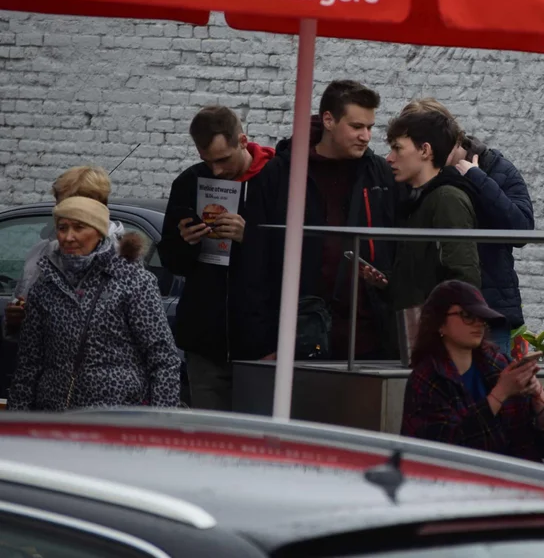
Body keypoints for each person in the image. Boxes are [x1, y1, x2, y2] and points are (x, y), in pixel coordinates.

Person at [240, 80, 398, 362]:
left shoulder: (379, 175)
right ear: (328, 120)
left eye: (370, 127)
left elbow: (395, 247)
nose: (365, 136)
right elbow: (254, 263)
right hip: (296, 337)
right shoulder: (282, 174)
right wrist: (261, 343)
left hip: (366, 340)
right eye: (356, 126)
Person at [8, 197, 181, 411]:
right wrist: (20, 421)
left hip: (116, 417)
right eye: (62, 228)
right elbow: (28, 364)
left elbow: (163, 358)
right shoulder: (45, 285)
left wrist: (160, 424)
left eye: (79, 227)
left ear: (99, 232)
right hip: (55, 417)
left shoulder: (133, 281)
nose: (69, 237)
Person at [157, 106, 275, 411]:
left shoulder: (276, 179)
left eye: (223, 159)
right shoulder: (189, 182)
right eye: (207, 161)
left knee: (254, 443)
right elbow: (172, 261)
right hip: (205, 344)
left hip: (260, 345)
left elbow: (296, 256)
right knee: (210, 442)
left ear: (243, 141)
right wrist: (187, 242)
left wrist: (250, 236)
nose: (217, 171)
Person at [399, 98, 535, 354]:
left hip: (488, 313)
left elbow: (522, 229)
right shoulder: (417, 173)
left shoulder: (496, 168)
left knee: (489, 388)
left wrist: (477, 180)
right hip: (429, 313)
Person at [401, 280, 544, 460]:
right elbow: (446, 451)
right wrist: (499, 394)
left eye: (482, 317)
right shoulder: (427, 378)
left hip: (515, 478)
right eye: (467, 315)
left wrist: (538, 396)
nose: (478, 323)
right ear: (439, 323)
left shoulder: (498, 363)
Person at [366, 109, 480, 312]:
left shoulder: (447, 199)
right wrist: (387, 284)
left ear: (425, 150)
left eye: (398, 149)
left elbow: (464, 276)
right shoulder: (414, 201)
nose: (390, 158)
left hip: (434, 333)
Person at [5, 166, 124, 341]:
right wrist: (14, 320)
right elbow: (22, 313)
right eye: (59, 203)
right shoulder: (40, 253)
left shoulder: (120, 258)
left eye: (71, 203)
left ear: (97, 207)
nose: (62, 210)